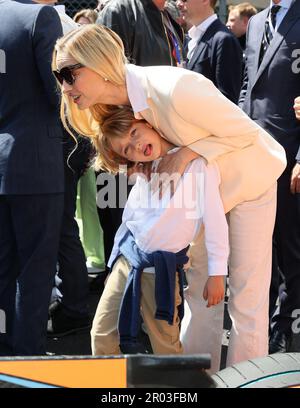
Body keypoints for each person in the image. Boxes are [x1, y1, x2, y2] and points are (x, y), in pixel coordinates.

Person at [52, 24, 286, 371]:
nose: (65, 87)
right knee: (199, 298)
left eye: (69, 74)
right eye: (58, 77)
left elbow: (245, 133)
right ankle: (197, 382)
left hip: (249, 183)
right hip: (204, 197)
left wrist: (187, 152)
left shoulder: (174, 88)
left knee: (246, 303)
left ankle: (243, 380)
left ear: (98, 62)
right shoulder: (126, 108)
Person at [90, 106, 229, 356]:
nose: (136, 145)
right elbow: (132, 216)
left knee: (165, 347)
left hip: (161, 273)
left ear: (149, 123)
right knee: (102, 334)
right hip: (128, 261)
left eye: (134, 133)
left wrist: (218, 272)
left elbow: (216, 220)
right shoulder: (145, 169)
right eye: (127, 149)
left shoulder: (198, 166)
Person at [0, 0, 63, 356]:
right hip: (36, 164)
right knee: (36, 268)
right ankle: (27, 355)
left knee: (5, 262)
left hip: (5, 160)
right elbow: (60, 94)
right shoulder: (41, 17)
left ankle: (7, 345)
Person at [239, 0, 300, 354]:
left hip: (289, 156)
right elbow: (248, 87)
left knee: (289, 245)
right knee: (256, 245)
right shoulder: (257, 21)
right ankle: (257, 326)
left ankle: (283, 326)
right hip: (253, 155)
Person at [177, 0, 243, 104]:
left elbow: (227, 101)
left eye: (184, 0)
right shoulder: (190, 38)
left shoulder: (224, 40)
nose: (178, 3)